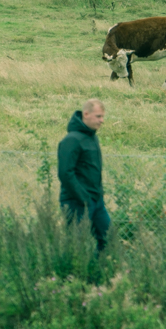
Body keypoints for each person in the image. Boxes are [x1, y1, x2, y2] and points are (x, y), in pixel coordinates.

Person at [57, 98, 109, 251]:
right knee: (76, 246)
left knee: (108, 238)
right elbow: (65, 173)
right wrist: (84, 198)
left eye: (103, 116)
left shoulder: (92, 137)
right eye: (98, 116)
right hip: (76, 202)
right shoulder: (71, 140)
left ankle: (101, 272)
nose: (102, 121)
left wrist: (96, 196)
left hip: (96, 201)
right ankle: (73, 274)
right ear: (86, 114)